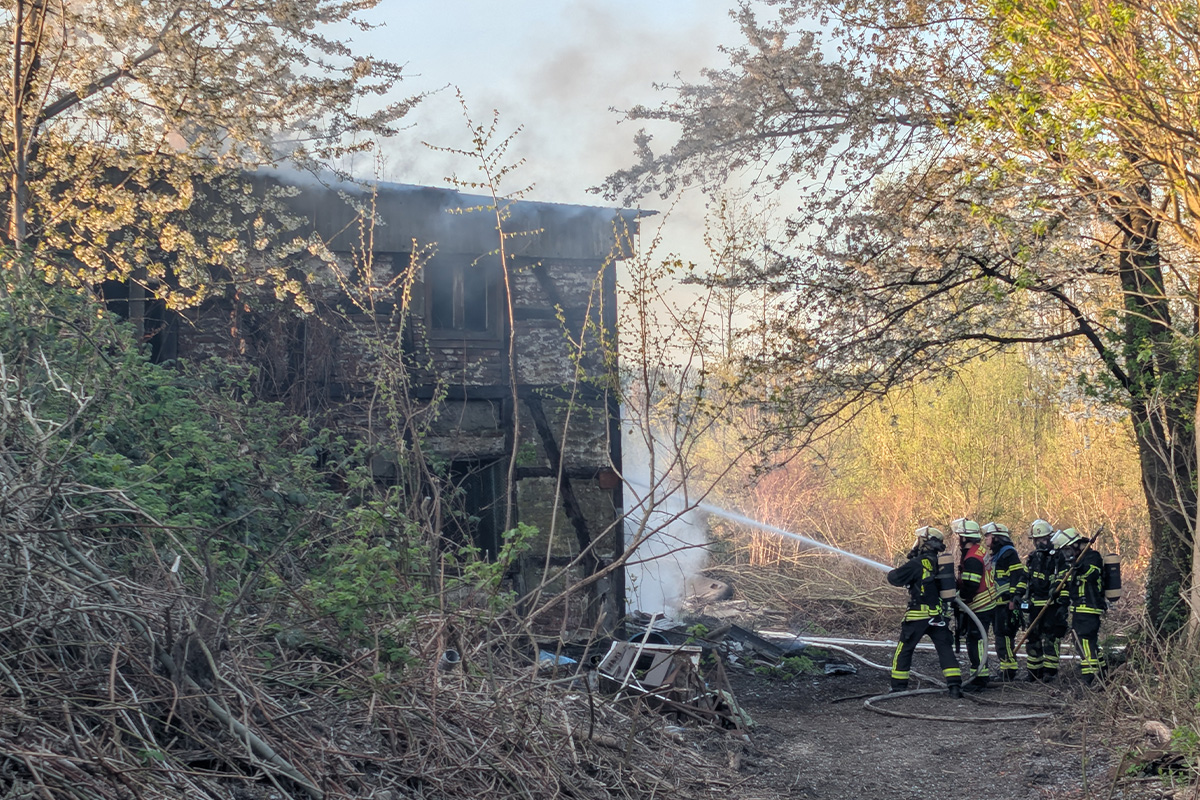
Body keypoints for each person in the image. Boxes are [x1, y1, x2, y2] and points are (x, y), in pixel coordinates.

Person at [886, 526, 964, 697]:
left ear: (924, 543)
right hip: (939, 615)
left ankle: (898, 686)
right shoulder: (941, 564)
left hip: (918, 615)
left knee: (904, 648)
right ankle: (955, 687)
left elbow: (894, 578)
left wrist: (893, 572)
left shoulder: (917, 563)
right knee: (945, 649)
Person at [1058, 528, 1106, 685]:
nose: (1067, 554)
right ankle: (1102, 670)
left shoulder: (1092, 556)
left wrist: (1080, 567)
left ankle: (1091, 676)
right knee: (1087, 641)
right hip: (1079, 607)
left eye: (1067, 549)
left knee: (1083, 640)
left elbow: (1093, 573)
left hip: (1090, 607)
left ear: (1076, 545)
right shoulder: (1075, 561)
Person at [954, 518, 996, 691]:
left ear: (964, 538)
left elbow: (971, 586)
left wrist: (958, 597)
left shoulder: (971, 558)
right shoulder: (978, 550)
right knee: (977, 639)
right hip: (985, 601)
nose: (957, 539)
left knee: (975, 640)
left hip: (980, 604)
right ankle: (979, 675)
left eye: (959, 536)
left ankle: (979, 679)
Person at [1022, 519, 1066, 681]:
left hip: (1051, 605)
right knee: (1032, 638)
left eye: (1043, 539)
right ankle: (1034, 671)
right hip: (1034, 604)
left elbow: (1061, 577)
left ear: (1050, 537)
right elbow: (1024, 577)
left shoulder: (1058, 556)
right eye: (1037, 540)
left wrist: (1055, 591)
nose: (1041, 543)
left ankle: (1050, 671)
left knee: (1050, 638)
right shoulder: (1032, 557)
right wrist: (1017, 594)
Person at [984, 521, 1026, 682]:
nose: (986, 539)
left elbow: (1017, 576)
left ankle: (1008, 671)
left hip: (1006, 603)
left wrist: (1013, 598)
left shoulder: (1008, 553)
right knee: (1000, 636)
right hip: (997, 603)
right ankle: (1006, 668)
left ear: (996, 537)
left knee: (1005, 637)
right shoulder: (997, 554)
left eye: (988, 535)